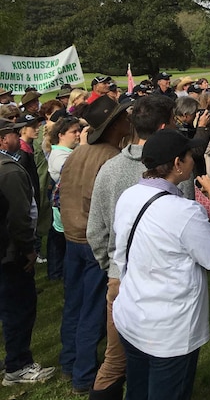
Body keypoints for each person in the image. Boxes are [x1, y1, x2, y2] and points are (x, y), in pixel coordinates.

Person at [86, 95, 191, 400]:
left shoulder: (109, 169)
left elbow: (96, 231)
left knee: (121, 360)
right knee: (155, 360)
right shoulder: (177, 170)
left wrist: (114, 267)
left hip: (123, 280)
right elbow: (186, 227)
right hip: (162, 284)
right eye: (173, 122)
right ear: (163, 126)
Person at [112, 129, 210, 400]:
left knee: (137, 389)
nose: (192, 162)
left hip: (132, 314)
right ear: (177, 163)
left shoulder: (129, 195)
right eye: (188, 157)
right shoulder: (184, 212)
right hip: (169, 330)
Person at [59, 95, 133, 395]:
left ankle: (69, 362)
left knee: (74, 304)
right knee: (92, 311)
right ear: (115, 125)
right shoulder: (110, 158)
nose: (129, 121)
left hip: (71, 236)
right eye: (124, 117)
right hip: (92, 241)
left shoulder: (79, 151)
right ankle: (83, 375)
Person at [0, 118, 57, 387]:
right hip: (11, 254)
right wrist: (29, 250)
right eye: (12, 133)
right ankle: (18, 366)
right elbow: (19, 217)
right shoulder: (8, 171)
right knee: (19, 309)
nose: (16, 135)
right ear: (2, 139)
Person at [46, 115, 83, 281]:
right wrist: (84, 146)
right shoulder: (59, 155)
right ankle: (58, 273)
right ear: (61, 134)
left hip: (68, 204)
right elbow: (75, 170)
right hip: (65, 206)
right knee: (61, 243)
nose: (78, 134)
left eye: (79, 130)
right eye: (73, 131)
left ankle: (58, 272)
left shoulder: (67, 152)